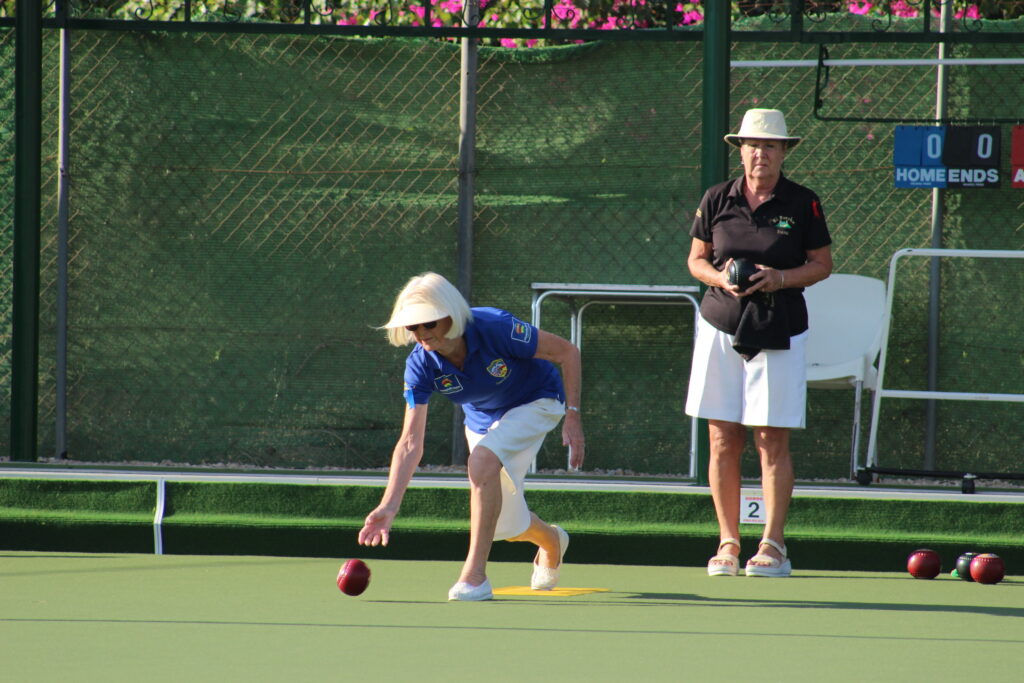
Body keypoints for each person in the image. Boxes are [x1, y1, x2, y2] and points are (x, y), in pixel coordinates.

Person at [358, 272, 585, 600]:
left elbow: (568, 352)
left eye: (429, 323)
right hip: (482, 422)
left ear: (450, 315)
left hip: (537, 401)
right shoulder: (420, 365)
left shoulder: (494, 327)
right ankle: (551, 540)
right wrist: (389, 506)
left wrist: (573, 417)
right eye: (413, 327)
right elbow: (410, 442)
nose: (422, 334)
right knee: (507, 524)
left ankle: (474, 577)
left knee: (480, 461)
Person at [685, 109, 832, 578]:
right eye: (752, 145)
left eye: (770, 145)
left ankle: (773, 545)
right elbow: (696, 259)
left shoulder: (803, 202)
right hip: (720, 324)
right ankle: (728, 542)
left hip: (780, 326)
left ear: (784, 151)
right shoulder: (716, 198)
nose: (760, 153)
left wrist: (779, 278)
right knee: (723, 437)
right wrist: (721, 280)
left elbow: (822, 264)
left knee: (771, 439)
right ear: (740, 150)